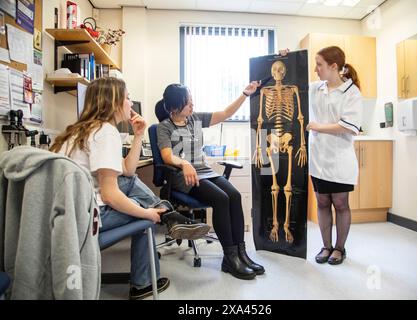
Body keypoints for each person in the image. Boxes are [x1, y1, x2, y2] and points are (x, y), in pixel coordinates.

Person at [50, 77, 210, 300]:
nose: (131, 103)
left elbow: (127, 170)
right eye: (127, 98)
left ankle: (168, 215)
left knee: (130, 182)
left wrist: (138, 136)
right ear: (114, 101)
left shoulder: (80, 130)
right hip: (86, 218)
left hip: (68, 213)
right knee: (140, 213)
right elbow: (110, 195)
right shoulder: (105, 132)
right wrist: (147, 213)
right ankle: (144, 281)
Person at [156, 82, 265, 280]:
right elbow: (166, 156)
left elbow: (225, 113)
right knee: (221, 199)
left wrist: (244, 94)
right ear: (173, 107)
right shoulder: (164, 127)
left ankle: (241, 254)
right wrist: (184, 163)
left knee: (234, 195)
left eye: (191, 100)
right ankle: (230, 257)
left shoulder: (195, 119)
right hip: (184, 176)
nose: (192, 105)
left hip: (205, 171)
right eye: (187, 102)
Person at [282, 46, 362, 265]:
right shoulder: (317, 88)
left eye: (319, 65)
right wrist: (286, 58)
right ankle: (326, 246)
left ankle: (339, 248)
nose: (315, 69)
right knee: (322, 202)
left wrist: (317, 126)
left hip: (339, 159)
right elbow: (290, 82)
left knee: (341, 203)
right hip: (318, 159)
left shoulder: (351, 91)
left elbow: (349, 126)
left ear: (333, 66)